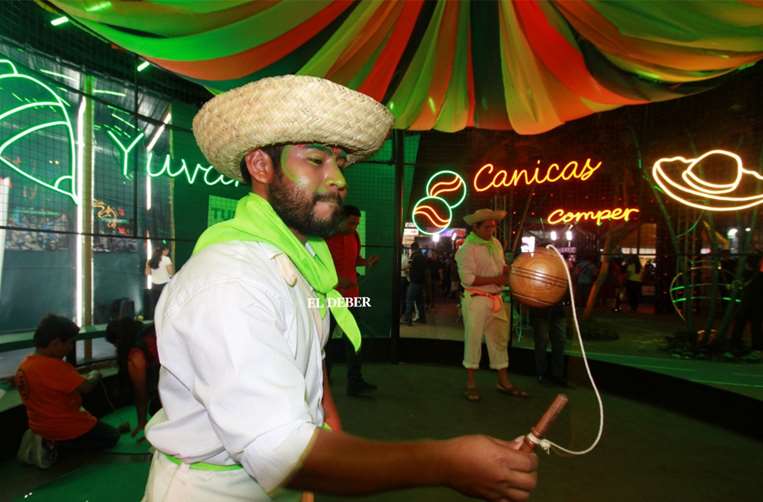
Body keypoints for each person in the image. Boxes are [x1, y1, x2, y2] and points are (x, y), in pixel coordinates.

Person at [141, 76, 537, 502]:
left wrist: (314, 467)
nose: (339, 180)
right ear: (260, 166)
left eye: (340, 163)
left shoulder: (304, 262)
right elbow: (285, 452)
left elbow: (309, 367)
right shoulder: (229, 284)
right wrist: (446, 462)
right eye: (315, 160)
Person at [15, 315, 121, 452]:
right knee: (112, 436)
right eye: (70, 343)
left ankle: (54, 442)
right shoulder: (55, 367)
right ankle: (63, 446)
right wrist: (95, 374)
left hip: (38, 426)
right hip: (64, 427)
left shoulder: (24, 366)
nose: (71, 348)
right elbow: (86, 387)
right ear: (55, 344)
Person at [455, 209, 528, 402]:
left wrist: (509, 272)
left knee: (500, 340)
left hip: (496, 297)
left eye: (493, 226)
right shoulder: (466, 249)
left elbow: (501, 267)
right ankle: (470, 383)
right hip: (476, 300)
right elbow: (467, 279)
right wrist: (497, 278)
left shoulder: (495, 244)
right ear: (475, 227)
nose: (491, 230)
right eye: (487, 227)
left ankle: (503, 381)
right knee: (473, 340)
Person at [325, 205, 379, 397]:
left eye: (357, 223)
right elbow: (317, 267)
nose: (355, 226)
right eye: (352, 222)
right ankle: (323, 382)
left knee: (354, 340)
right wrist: (338, 281)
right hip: (330, 298)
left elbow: (354, 259)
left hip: (352, 298)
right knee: (325, 341)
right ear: (340, 219)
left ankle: (354, 383)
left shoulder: (354, 236)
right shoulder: (326, 238)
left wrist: (366, 262)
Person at [105, 318, 161, 437]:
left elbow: (140, 392)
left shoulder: (135, 355)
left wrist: (141, 422)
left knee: (156, 409)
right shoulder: (153, 331)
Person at [529, 303, 570, 388]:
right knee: (542, 343)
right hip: (540, 311)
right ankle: (542, 373)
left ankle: (557, 375)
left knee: (559, 342)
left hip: (557, 311)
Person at [145, 244, 174, 317]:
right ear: (163, 251)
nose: (168, 252)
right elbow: (171, 272)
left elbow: (147, 273)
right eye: (167, 250)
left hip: (154, 286)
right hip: (165, 286)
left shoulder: (150, 260)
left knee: (155, 306)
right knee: (165, 306)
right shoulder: (166, 259)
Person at [402, 242, 427, 325]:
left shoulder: (414, 256)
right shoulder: (423, 256)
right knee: (419, 301)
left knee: (409, 300)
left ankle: (407, 319)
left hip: (414, 281)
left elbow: (409, 266)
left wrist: (402, 268)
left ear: (412, 249)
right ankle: (422, 319)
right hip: (421, 282)